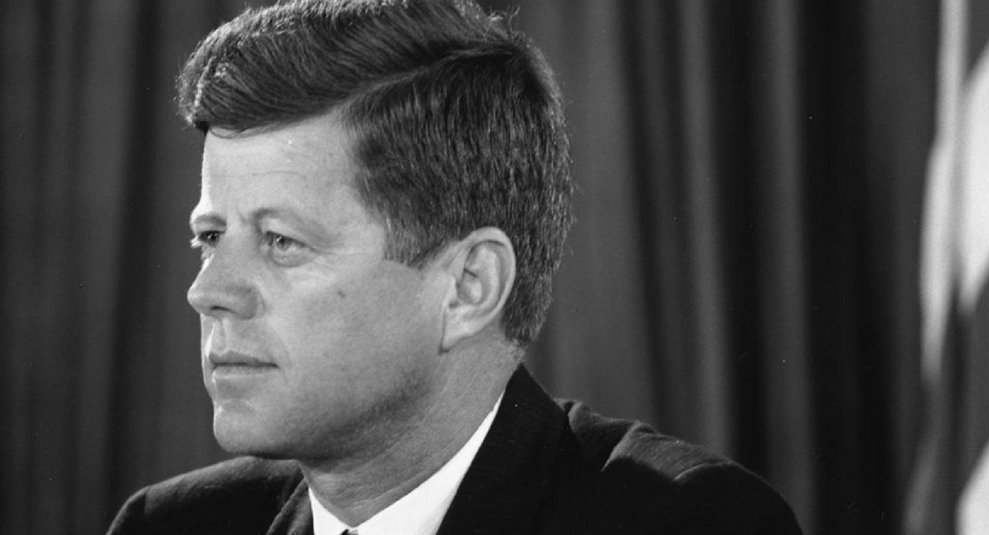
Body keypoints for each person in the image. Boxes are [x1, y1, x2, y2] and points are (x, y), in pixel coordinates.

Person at [107, 0, 802, 533]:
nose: (208, 291)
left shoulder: (693, 522)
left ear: (469, 287)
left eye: (281, 242)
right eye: (210, 236)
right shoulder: (170, 526)